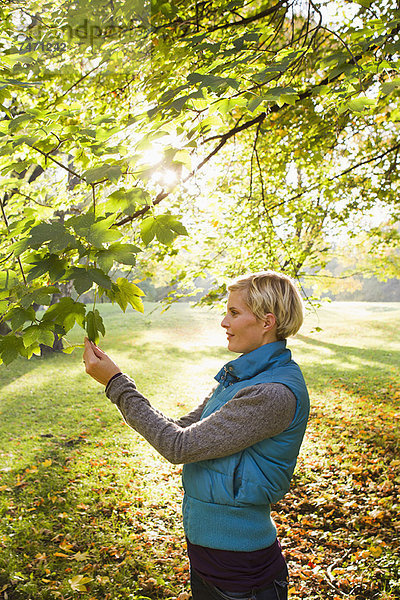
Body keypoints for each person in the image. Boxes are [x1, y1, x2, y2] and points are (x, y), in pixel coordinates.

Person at [83, 271, 310, 600]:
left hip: (241, 571)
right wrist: (117, 383)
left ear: (266, 322)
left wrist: (116, 383)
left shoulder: (271, 392)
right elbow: (180, 429)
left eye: (234, 313)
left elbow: (178, 446)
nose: (223, 322)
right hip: (209, 558)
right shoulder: (241, 376)